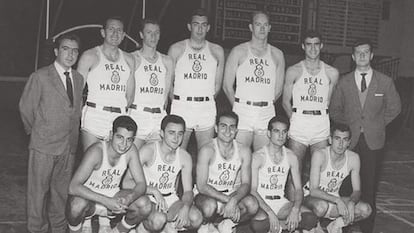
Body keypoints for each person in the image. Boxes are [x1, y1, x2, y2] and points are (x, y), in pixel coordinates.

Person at [329, 39, 401, 233]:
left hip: (373, 142)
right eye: (358, 52)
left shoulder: (385, 81)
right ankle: (341, 226)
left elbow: (395, 108)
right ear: (353, 57)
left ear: (371, 56)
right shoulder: (344, 82)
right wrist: (350, 128)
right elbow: (334, 110)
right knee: (344, 187)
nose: (362, 55)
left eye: (365, 52)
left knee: (368, 188)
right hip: (349, 142)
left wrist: (376, 125)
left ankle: (367, 229)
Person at [19, 33, 83, 233]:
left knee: (60, 195)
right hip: (43, 146)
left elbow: (75, 111)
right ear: (56, 51)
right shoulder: (40, 76)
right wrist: (38, 133)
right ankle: (36, 229)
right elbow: (25, 108)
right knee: (38, 194)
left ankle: (58, 228)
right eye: (65, 49)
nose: (70, 54)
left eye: (74, 50)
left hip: (68, 147)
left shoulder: (79, 78)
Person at [66, 115, 151, 233]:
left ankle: (117, 231)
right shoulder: (96, 151)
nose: (124, 144)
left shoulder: (131, 151)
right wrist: (106, 201)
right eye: (120, 137)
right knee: (76, 206)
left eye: (129, 139)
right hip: (91, 200)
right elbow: (73, 187)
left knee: (145, 205)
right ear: (111, 135)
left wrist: (129, 198)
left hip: (113, 199)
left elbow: (141, 184)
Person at [282, 31, 339, 196]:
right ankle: (291, 213)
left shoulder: (332, 72)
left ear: (321, 46)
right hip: (299, 121)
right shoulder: (293, 70)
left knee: (321, 170)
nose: (312, 48)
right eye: (308, 44)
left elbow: (330, 102)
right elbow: (286, 101)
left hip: (321, 122)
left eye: (316, 44)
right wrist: (294, 121)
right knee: (295, 170)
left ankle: (315, 213)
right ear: (303, 46)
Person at [127, 115, 203, 232]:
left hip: (170, 199)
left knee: (196, 218)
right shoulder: (148, 151)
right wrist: (153, 190)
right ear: (162, 133)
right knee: (158, 220)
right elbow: (126, 182)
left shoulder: (184, 156)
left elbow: (188, 191)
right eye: (171, 133)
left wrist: (186, 207)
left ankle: (167, 225)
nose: (176, 138)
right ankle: (141, 224)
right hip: (148, 198)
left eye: (180, 134)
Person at [223, 11, 285, 151]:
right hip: (242, 110)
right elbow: (227, 86)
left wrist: (264, 104)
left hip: (266, 112)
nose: (262, 28)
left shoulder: (277, 54)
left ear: (270, 28)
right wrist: (239, 106)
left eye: (265, 25)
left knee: (263, 159)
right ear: (251, 27)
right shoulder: (238, 51)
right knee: (239, 158)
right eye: (258, 24)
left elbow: (279, 89)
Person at [168, 8, 225, 150]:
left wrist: (206, 99)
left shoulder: (217, 50)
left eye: (204, 25)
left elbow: (218, 85)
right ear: (189, 26)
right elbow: (168, 82)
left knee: (206, 154)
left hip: (206, 107)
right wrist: (176, 101)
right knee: (177, 153)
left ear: (208, 28)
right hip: (182, 105)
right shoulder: (176, 49)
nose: (200, 29)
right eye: (196, 24)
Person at [77, 16, 135, 151]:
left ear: (123, 35)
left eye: (119, 30)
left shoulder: (129, 59)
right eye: (111, 29)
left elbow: (130, 96)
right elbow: (77, 91)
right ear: (103, 32)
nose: (115, 34)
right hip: (95, 115)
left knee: (114, 164)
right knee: (91, 161)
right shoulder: (90, 56)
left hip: (118, 117)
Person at [251, 116, 317, 233]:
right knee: (259, 225)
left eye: (284, 132)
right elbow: (253, 191)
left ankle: (280, 227)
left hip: (281, 203)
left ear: (287, 135)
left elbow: (298, 189)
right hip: (262, 203)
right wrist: (270, 212)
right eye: (276, 131)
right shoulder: (258, 156)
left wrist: (295, 210)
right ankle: (283, 227)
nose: (281, 135)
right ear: (269, 133)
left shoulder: (291, 156)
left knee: (310, 218)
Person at [195, 111, 259, 233]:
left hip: (230, 193)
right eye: (223, 126)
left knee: (252, 205)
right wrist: (228, 200)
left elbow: (246, 184)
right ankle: (206, 223)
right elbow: (202, 186)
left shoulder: (244, 151)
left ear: (236, 131)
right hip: (208, 195)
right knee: (209, 207)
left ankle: (227, 224)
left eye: (232, 127)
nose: (228, 131)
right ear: (216, 128)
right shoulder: (207, 150)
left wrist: (234, 200)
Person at [304, 123, 372, 233]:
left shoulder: (353, 158)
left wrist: (351, 202)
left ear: (349, 142)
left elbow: (357, 190)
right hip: (311, 199)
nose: (340, 144)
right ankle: (312, 225)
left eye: (345, 140)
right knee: (322, 206)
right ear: (330, 140)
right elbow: (314, 190)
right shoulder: (320, 155)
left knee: (365, 210)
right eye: (337, 139)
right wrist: (337, 201)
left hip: (333, 200)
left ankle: (335, 225)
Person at [129, 18, 173, 149]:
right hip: (137, 114)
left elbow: (166, 94)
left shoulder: (167, 61)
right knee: (130, 159)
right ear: (141, 35)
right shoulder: (132, 58)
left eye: (157, 32)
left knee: (156, 160)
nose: (153, 36)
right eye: (149, 32)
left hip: (158, 117)